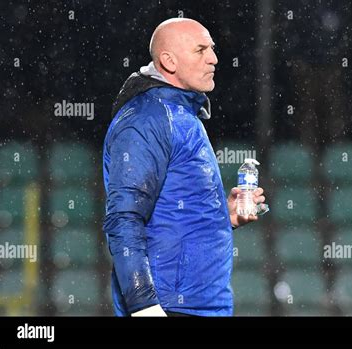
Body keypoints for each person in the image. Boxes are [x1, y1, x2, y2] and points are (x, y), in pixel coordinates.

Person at [102, 18, 266, 317]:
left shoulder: (179, 114)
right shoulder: (148, 118)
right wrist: (144, 308)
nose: (214, 58)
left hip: (199, 306)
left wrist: (219, 217)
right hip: (170, 308)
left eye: (212, 49)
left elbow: (171, 215)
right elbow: (124, 219)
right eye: (201, 50)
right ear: (168, 61)